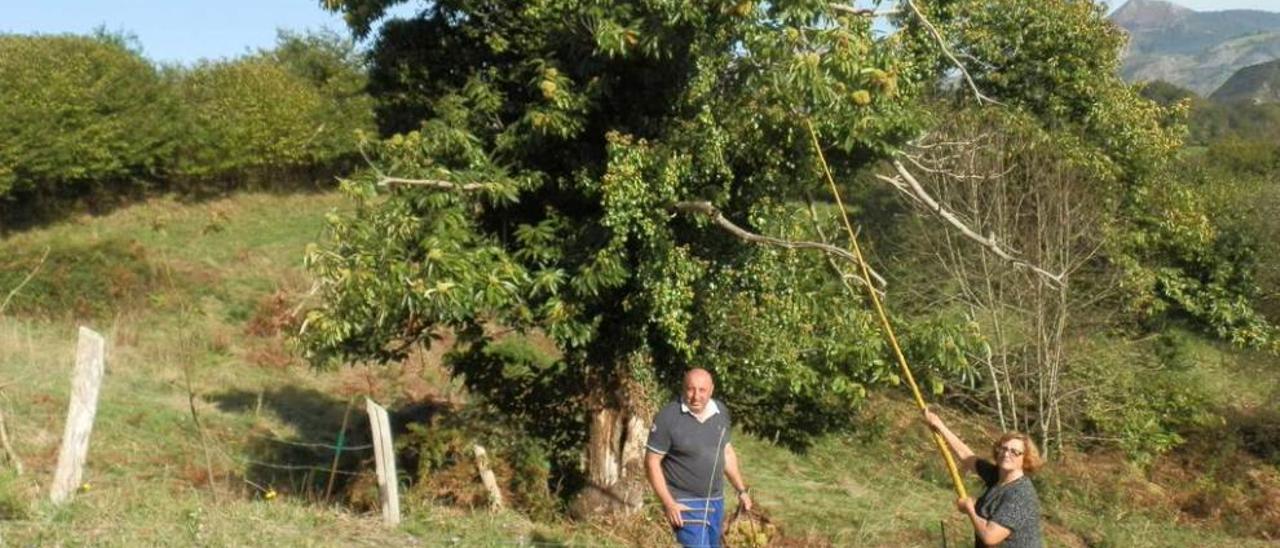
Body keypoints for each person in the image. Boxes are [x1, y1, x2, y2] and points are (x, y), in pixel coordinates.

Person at [646, 368, 753, 548]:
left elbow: (726, 452)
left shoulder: (721, 413)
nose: (696, 396)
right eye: (690, 389)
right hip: (685, 504)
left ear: (711, 390)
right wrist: (669, 503)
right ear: (683, 389)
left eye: (702, 390)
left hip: (716, 501)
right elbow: (652, 461)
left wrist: (741, 491)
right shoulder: (668, 416)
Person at [924, 410, 1043, 548]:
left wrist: (970, 508)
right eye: (1003, 449)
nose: (1006, 454)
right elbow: (966, 456)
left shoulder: (1021, 495)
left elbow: (989, 537)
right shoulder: (997, 475)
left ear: (1026, 459)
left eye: (1015, 452)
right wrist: (939, 425)